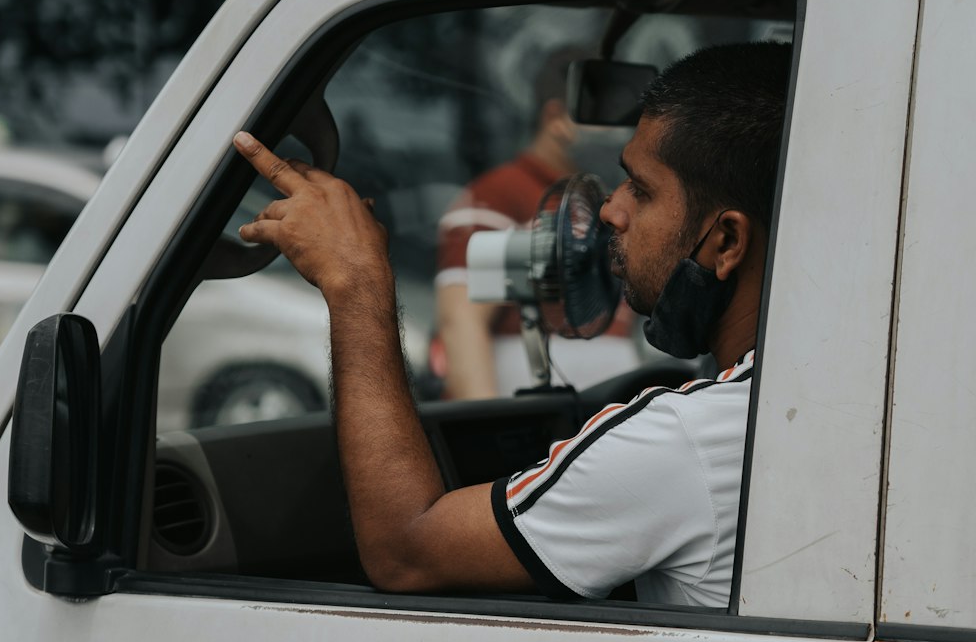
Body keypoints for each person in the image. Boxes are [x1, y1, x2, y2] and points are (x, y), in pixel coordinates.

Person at [233, 40, 790, 607]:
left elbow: (406, 553)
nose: (610, 210)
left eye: (642, 191)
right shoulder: (803, 405)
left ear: (726, 242)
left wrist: (356, 282)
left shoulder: (685, 441)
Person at [435, 46, 637, 398]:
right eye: (606, 117)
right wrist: (487, 427)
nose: (621, 133)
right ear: (557, 119)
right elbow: (462, 324)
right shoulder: (498, 194)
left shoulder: (606, 204)